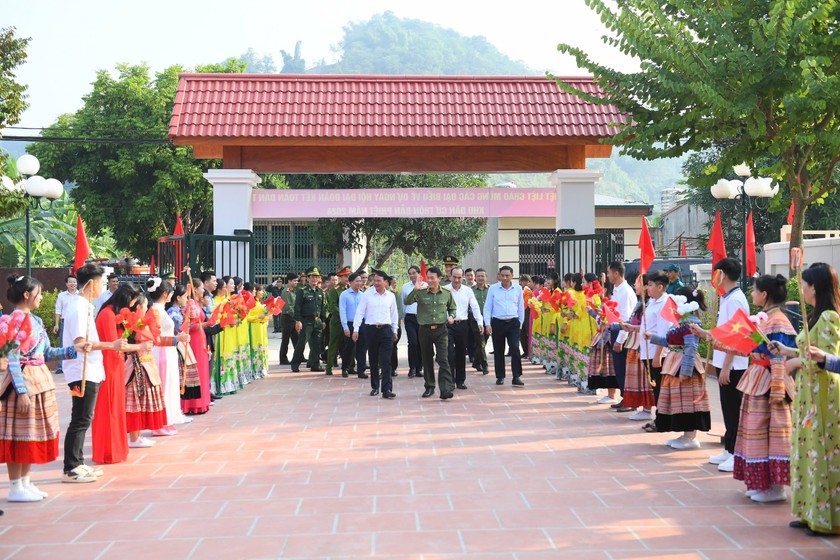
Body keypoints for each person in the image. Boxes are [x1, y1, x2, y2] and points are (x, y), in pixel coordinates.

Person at [695, 274, 795, 503]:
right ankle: (764, 483)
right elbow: (744, 347)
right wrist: (709, 336)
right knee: (755, 431)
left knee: (770, 433)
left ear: (765, 295)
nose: (752, 294)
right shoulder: (765, 319)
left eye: (755, 290)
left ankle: (775, 487)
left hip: (771, 384)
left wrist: (777, 388)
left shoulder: (778, 321)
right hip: (758, 379)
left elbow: (778, 357)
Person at [0, 275, 89, 501]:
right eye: (38, 294)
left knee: (30, 434)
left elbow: (47, 353)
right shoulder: (13, 321)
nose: (41, 297)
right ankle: (14, 486)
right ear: (27, 295)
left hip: (40, 380)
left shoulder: (37, 321)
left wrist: (74, 350)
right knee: (18, 435)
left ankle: (26, 482)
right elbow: (12, 358)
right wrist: (21, 392)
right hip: (22, 383)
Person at [769, 263, 840, 536]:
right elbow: (808, 351)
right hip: (809, 394)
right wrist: (787, 350)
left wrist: (795, 361)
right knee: (808, 453)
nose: (802, 289)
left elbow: (826, 359)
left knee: (822, 452)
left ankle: (825, 517)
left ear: (816, 287)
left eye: (805, 284)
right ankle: (810, 512)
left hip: (824, 397)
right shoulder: (815, 316)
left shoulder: (830, 318)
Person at [62, 264, 127, 483]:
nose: (102, 286)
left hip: (89, 370)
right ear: (91, 283)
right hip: (81, 371)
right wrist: (112, 345)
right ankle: (71, 467)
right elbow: (82, 343)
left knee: (84, 417)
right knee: (80, 418)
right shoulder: (79, 307)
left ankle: (78, 463)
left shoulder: (85, 306)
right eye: (100, 282)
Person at [644, 287, 711, 449]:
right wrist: (653, 338)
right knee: (680, 400)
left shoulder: (691, 323)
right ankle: (685, 434)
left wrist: (686, 371)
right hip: (676, 363)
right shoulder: (681, 322)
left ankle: (691, 436)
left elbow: (691, 347)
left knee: (688, 400)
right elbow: (670, 341)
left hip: (684, 365)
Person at [92, 282, 142, 464]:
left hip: (116, 363)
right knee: (108, 409)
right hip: (108, 364)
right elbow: (115, 344)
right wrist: (140, 346)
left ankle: (117, 450)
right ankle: (108, 452)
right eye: (132, 302)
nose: (132, 306)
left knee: (116, 408)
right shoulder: (107, 315)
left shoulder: (115, 315)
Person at [708, 258, 750, 473]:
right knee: (727, 408)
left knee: (734, 410)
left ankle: (736, 453)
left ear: (722, 274)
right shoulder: (728, 298)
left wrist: (726, 366)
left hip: (733, 365)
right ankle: (729, 449)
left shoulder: (735, 300)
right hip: (723, 361)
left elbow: (737, 336)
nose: (713, 278)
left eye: (716, 273)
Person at [624, 271, 671, 427]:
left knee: (658, 388)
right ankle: (659, 420)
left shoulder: (664, 303)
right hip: (647, 352)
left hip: (656, 353)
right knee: (654, 388)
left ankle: (661, 421)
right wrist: (633, 328)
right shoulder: (652, 302)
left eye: (650, 285)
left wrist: (658, 355)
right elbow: (648, 327)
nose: (647, 288)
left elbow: (663, 332)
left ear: (660, 287)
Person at [405, 266, 457, 399]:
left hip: (441, 330)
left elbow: (452, 308)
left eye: (432, 278)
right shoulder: (420, 292)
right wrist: (415, 290)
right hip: (424, 330)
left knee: (443, 358)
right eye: (428, 278)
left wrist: (452, 316)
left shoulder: (446, 292)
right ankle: (429, 386)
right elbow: (407, 301)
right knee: (427, 359)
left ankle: (445, 389)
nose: (429, 280)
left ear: (439, 279)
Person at [148, 278, 191, 436]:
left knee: (170, 385)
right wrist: (177, 339)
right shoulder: (155, 310)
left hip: (168, 351)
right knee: (164, 386)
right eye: (171, 292)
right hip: (161, 352)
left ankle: (166, 420)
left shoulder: (160, 309)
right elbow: (156, 337)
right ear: (165, 294)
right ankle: (159, 422)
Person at [353, 270, 399, 398]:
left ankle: (387, 389)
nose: (376, 283)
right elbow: (360, 312)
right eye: (374, 280)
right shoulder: (367, 295)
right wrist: (356, 329)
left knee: (386, 360)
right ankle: (375, 387)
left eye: (379, 281)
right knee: (373, 360)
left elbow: (394, 315)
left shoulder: (391, 296)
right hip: (371, 330)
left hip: (386, 330)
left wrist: (394, 330)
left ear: (385, 282)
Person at [484, 265, 525, 387]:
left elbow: (521, 307)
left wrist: (520, 324)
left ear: (512, 276)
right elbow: (487, 307)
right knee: (498, 350)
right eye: (503, 275)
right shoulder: (493, 289)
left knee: (514, 348)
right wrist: (487, 324)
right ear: (499, 276)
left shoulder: (517, 289)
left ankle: (516, 376)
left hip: (513, 322)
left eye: (507, 275)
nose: (505, 278)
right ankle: (500, 376)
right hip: (498, 322)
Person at [607, 262, 638, 410]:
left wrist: (620, 340)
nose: (607, 276)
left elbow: (626, 318)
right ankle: (625, 397)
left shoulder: (626, 291)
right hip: (615, 330)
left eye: (609, 273)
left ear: (616, 273)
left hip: (623, 334)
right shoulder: (617, 290)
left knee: (624, 368)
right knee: (619, 368)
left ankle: (630, 400)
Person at [447, 267, 483, 390]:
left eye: (459, 277)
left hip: (462, 325)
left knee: (461, 353)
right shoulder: (445, 289)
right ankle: (450, 381)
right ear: (450, 276)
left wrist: (480, 322)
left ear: (463, 277)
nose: (457, 280)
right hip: (448, 326)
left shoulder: (468, 291)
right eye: (454, 277)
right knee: (449, 354)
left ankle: (460, 380)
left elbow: (475, 306)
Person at [183, 279, 211, 414]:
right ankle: (193, 404)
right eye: (200, 288)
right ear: (194, 290)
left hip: (200, 339)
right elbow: (187, 326)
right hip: (193, 340)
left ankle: (202, 403)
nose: (202, 291)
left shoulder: (197, 304)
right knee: (195, 372)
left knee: (202, 370)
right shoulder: (190, 305)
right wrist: (205, 324)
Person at [291, 267, 327, 373]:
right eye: (312, 277)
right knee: (301, 343)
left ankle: (315, 364)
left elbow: (322, 307)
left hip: (317, 321)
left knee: (317, 344)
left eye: (316, 277)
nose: (315, 279)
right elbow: (297, 307)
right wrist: (298, 321)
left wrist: (323, 320)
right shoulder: (302, 291)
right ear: (308, 278)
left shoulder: (320, 291)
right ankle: (295, 364)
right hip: (305, 321)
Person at [325, 267, 350, 375]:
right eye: (345, 276)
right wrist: (343, 314)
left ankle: (349, 366)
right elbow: (332, 306)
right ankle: (329, 367)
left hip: (349, 321)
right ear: (339, 278)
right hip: (337, 321)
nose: (347, 278)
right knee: (333, 344)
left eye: (348, 276)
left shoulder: (350, 289)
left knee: (348, 345)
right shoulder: (335, 290)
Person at [339, 273, 365, 378]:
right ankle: (345, 368)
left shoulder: (363, 295)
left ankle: (361, 370)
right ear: (350, 282)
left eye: (360, 281)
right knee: (348, 348)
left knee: (362, 348)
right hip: (349, 324)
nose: (359, 283)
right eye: (357, 281)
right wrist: (345, 327)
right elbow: (342, 311)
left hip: (361, 324)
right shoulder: (344, 295)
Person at [52, 274, 79, 374]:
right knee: (63, 343)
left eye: (74, 282)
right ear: (66, 284)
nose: (73, 284)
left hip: (77, 322)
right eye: (70, 282)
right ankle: (61, 366)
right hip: (65, 321)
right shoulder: (61, 296)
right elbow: (58, 310)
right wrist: (56, 324)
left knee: (77, 342)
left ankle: (76, 365)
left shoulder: (80, 294)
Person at [244, 282, 269, 379]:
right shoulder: (251, 303)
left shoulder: (259, 303)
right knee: (255, 347)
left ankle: (261, 369)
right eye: (260, 290)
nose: (262, 293)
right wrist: (259, 316)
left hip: (261, 328)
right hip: (254, 328)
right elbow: (248, 317)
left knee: (261, 347)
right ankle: (255, 370)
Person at [402, 266, 422, 379]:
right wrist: (404, 317)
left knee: (421, 343)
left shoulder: (425, 286)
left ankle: (419, 368)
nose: (412, 275)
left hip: (422, 318)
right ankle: (412, 368)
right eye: (410, 273)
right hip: (410, 318)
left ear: (419, 274)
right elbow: (404, 303)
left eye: (414, 273)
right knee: (412, 342)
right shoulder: (405, 287)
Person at [470, 268, 491, 375]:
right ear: (475, 277)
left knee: (483, 342)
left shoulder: (491, 289)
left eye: (482, 276)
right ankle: (484, 364)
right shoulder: (471, 290)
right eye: (478, 276)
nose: (480, 278)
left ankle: (476, 362)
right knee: (480, 341)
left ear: (486, 277)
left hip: (488, 320)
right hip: (475, 320)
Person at [278, 273, 299, 365]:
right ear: (289, 281)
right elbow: (288, 307)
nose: (296, 282)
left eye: (297, 280)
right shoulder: (286, 291)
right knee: (285, 339)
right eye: (294, 281)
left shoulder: (294, 291)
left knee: (296, 338)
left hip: (293, 318)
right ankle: (283, 359)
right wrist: (296, 317)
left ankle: (299, 356)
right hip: (287, 317)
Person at [519, 274, 533, 359]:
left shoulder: (530, 291)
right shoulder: (519, 290)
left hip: (528, 312)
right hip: (522, 312)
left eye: (528, 281)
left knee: (528, 331)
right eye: (525, 281)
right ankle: (525, 351)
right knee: (522, 333)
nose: (527, 283)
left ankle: (529, 351)